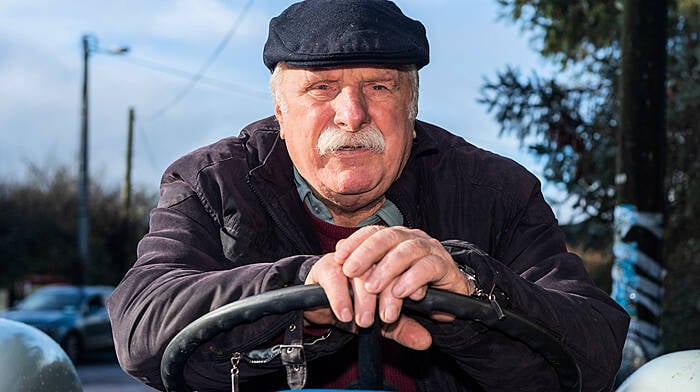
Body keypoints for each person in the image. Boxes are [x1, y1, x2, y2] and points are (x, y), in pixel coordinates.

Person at [107, 0, 630, 391]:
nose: (352, 114)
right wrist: (301, 292)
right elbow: (142, 324)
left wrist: (468, 289)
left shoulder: (497, 192)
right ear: (280, 110)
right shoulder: (210, 183)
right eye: (322, 87)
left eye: (379, 86)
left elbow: (597, 348)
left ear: (412, 105)